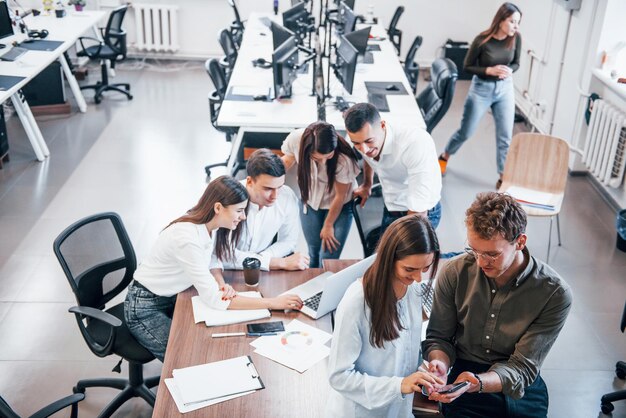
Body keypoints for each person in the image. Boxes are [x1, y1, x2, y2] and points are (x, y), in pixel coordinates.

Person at [422, 192, 572, 418]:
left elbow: (522, 368)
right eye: (474, 250)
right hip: (465, 375)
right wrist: (439, 363)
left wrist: (479, 383)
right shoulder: (455, 272)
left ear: (520, 242)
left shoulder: (554, 293)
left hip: (519, 384)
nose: (481, 262)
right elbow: (439, 338)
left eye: (492, 254)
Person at [124, 175, 303, 362]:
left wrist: (220, 283)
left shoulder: (210, 225)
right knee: (185, 359)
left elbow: (212, 258)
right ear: (218, 208)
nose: (243, 217)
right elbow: (215, 300)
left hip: (174, 295)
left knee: (210, 343)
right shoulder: (187, 239)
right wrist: (274, 303)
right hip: (145, 307)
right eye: (240, 211)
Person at [326, 215, 445, 418]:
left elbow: (401, 354)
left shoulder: (413, 290)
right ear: (389, 259)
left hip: (398, 408)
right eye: (409, 269)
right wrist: (400, 385)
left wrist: (425, 370)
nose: (418, 278)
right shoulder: (357, 302)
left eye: (425, 269)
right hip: (361, 411)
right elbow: (339, 376)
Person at [438, 3, 522, 190]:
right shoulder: (482, 40)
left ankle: (503, 175)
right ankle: (444, 156)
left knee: (505, 136)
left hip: (505, 89)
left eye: (518, 22)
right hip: (481, 89)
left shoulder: (516, 38)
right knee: (466, 131)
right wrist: (489, 70)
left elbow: (517, 63)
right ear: (501, 20)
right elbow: (466, 67)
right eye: (512, 22)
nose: (516, 26)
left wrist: (509, 70)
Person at [344, 103, 442, 235]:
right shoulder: (362, 139)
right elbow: (368, 158)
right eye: (356, 144)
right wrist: (367, 183)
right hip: (391, 204)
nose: (364, 149)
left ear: (382, 126)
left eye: (369, 141)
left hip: (420, 211)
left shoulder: (415, 144)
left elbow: (419, 211)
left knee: (403, 254)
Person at [281, 121, 360, 268]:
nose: (323, 162)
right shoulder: (296, 140)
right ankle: (312, 288)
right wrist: (270, 179)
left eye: (328, 156)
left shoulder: (344, 158)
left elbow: (340, 196)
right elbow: (287, 160)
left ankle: (324, 288)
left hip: (339, 205)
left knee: (328, 257)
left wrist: (328, 225)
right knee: (313, 251)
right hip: (310, 201)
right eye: (317, 158)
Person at [220, 149, 310, 271]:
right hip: (228, 272)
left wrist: (263, 258)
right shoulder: (228, 198)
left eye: (279, 187)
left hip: (263, 269)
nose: (275, 196)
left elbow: (288, 240)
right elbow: (223, 255)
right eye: (268, 189)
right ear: (250, 181)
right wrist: (277, 262)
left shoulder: (287, 197)